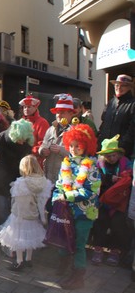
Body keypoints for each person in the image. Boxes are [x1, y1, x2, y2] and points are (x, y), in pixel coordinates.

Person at [52, 124, 101, 290]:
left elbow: (91, 191)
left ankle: (78, 278)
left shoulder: (92, 166)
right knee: (65, 241)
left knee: (79, 244)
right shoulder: (66, 163)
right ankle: (64, 268)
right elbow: (60, 185)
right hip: (67, 212)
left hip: (85, 213)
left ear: (86, 145)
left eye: (77, 145)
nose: (73, 149)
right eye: (71, 145)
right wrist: (56, 198)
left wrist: (67, 196)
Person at [0, 154, 52, 271]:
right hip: (33, 215)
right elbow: (42, 202)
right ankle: (28, 259)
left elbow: (17, 201)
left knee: (18, 238)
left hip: (20, 215)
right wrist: (43, 217)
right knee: (30, 237)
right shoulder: (44, 182)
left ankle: (19, 261)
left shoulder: (21, 183)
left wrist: (14, 213)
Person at [91, 135, 133, 266]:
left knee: (118, 225)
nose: (111, 158)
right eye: (108, 156)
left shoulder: (126, 163)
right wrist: (109, 179)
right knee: (100, 222)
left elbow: (131, 177)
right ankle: (98, 249)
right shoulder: (99, 164)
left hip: (120, 203)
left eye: (114, 155)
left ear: (119, 154)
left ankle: (115, 251)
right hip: (102, 201)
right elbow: (95, 179)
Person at [0, 118, 34, 226]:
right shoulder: (2, 138)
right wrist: (1, 182)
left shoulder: (26, 141)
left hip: (19, 181)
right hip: (2, 180)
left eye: (24, 140)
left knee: (15, 211)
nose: (22, 142)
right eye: (20, 140)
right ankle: (2, 234)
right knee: (2, 210)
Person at [39, 93, 75, 184]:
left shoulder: (75, 131)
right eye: (57, 112)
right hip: (47, 177)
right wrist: (42, 151)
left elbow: (78, 156)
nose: (59, 115)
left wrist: (61, 150)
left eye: (62, 112)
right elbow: (43, 145)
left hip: (64, 179)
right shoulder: (50, 130)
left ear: (71, 114)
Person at [98, 74, 135, 158]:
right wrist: (98, 144)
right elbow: (103, 126)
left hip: (123, 154)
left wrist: (121, 148)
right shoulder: (110, 103)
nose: (119, 87)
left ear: (129, 87)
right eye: (117, 85)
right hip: (105, 152)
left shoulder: (133, 104)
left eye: (123, 85)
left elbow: (132, 130)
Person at [19, 95, 49, 165]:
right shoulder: (20, 122)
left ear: (35, 107)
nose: (26, 109)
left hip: (35, 161)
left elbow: (43, 143)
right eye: (25, 107)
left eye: (29, 107)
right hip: (21, 159)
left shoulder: (42, 122)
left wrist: (30, 151)